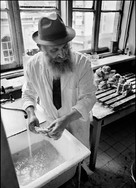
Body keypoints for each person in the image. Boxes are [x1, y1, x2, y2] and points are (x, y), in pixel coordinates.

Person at [22, 12, 96, 165]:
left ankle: (78, 171)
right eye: (54, 50)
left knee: (78, 159)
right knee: (60, 159)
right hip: (51, 123)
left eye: (65, 47)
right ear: (40, 47)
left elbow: (89, 98)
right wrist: (31, 114)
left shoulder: (82, 63)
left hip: (76, 123)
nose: (62, 54)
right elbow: (28, 94)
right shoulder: (32, 66)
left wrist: (66, 119)